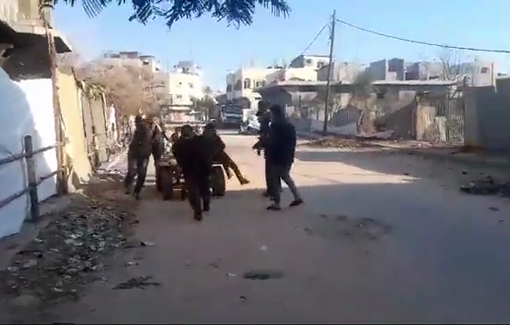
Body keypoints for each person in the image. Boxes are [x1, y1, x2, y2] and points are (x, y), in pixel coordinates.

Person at [172, 124, 215, 221]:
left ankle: (203, 205)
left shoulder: (181, 143)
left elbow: (176, 153)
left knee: (199, 190)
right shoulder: (201, 141)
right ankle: (199, 210)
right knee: (198, 190)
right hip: (195, 170)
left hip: (196, 170)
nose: (186, 135)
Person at [265, 104, 303, 210]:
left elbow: (272, 142)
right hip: (287, 156)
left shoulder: (275, 126)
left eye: (272, 113)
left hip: (277, 156)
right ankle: (297, 197)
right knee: (285, 176)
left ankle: (277, 203)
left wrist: (265, 145)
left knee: (275, 179)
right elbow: (293, 142)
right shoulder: (289, 126)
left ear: (275, 114)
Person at [252, 101, 281, 199]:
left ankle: (273, 191)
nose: (258, 120)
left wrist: (261, 144)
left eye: (259, 117)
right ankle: (275, 188)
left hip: (271, 147)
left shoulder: (267, 119)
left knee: (270, 170)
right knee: (273, 170)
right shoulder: (269, 118)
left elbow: (267, 135)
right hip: (271, 146)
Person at [124, 114, 153, 200]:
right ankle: (132, 189)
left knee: (138, 173)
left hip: (141, 154)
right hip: (139, 154)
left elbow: (142, 143)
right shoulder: (140, 130)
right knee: (138, 173)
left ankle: (133, 190)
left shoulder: (144, 130)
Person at [147, 116, 170, 192]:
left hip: (160, 147)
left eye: (156, 120)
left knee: (160, 163)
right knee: (157, 163)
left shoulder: (161, 127)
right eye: (154, 120)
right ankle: (159, 182)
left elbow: (166, 136)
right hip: (154, 148)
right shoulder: (151, 127)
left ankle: (160, 181)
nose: (155, 121)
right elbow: (149, 137)